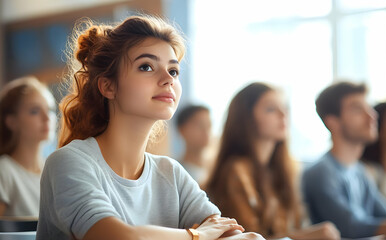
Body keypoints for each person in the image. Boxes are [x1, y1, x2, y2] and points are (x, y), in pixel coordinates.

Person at [36, 15, 264, 240]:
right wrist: (195, 236)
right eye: (146, 67)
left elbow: (234, 234)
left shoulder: (171, 173)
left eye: (173, 71)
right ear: (108, 86)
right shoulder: (68, 162)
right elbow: (116, 237)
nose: (168, 79)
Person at [206, 82, 340, 240]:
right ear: (246, 118)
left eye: (284, 108)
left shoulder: (285, 168)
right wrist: (307, 236)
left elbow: (296, 225)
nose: (283, 114)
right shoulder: (236, 170)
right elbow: (248, 237)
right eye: (271, 109)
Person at [302, 81, 386, 238]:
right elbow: (350, 226)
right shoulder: (320, 172)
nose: (371, 115)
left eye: (368, 108)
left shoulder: (359, 171)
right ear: (332, 121)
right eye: (357, 109)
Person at [0, 76, 55, 217]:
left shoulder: (54, 171)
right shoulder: (5, 171)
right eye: (34, 111)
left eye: (49, 110)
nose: (47, 118)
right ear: (11, 122)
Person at [176, 105, 213, 185]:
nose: (206, 132)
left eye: (209, 126)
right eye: (200, 126)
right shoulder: (174, 171)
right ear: (182, 129)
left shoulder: (216, 170)